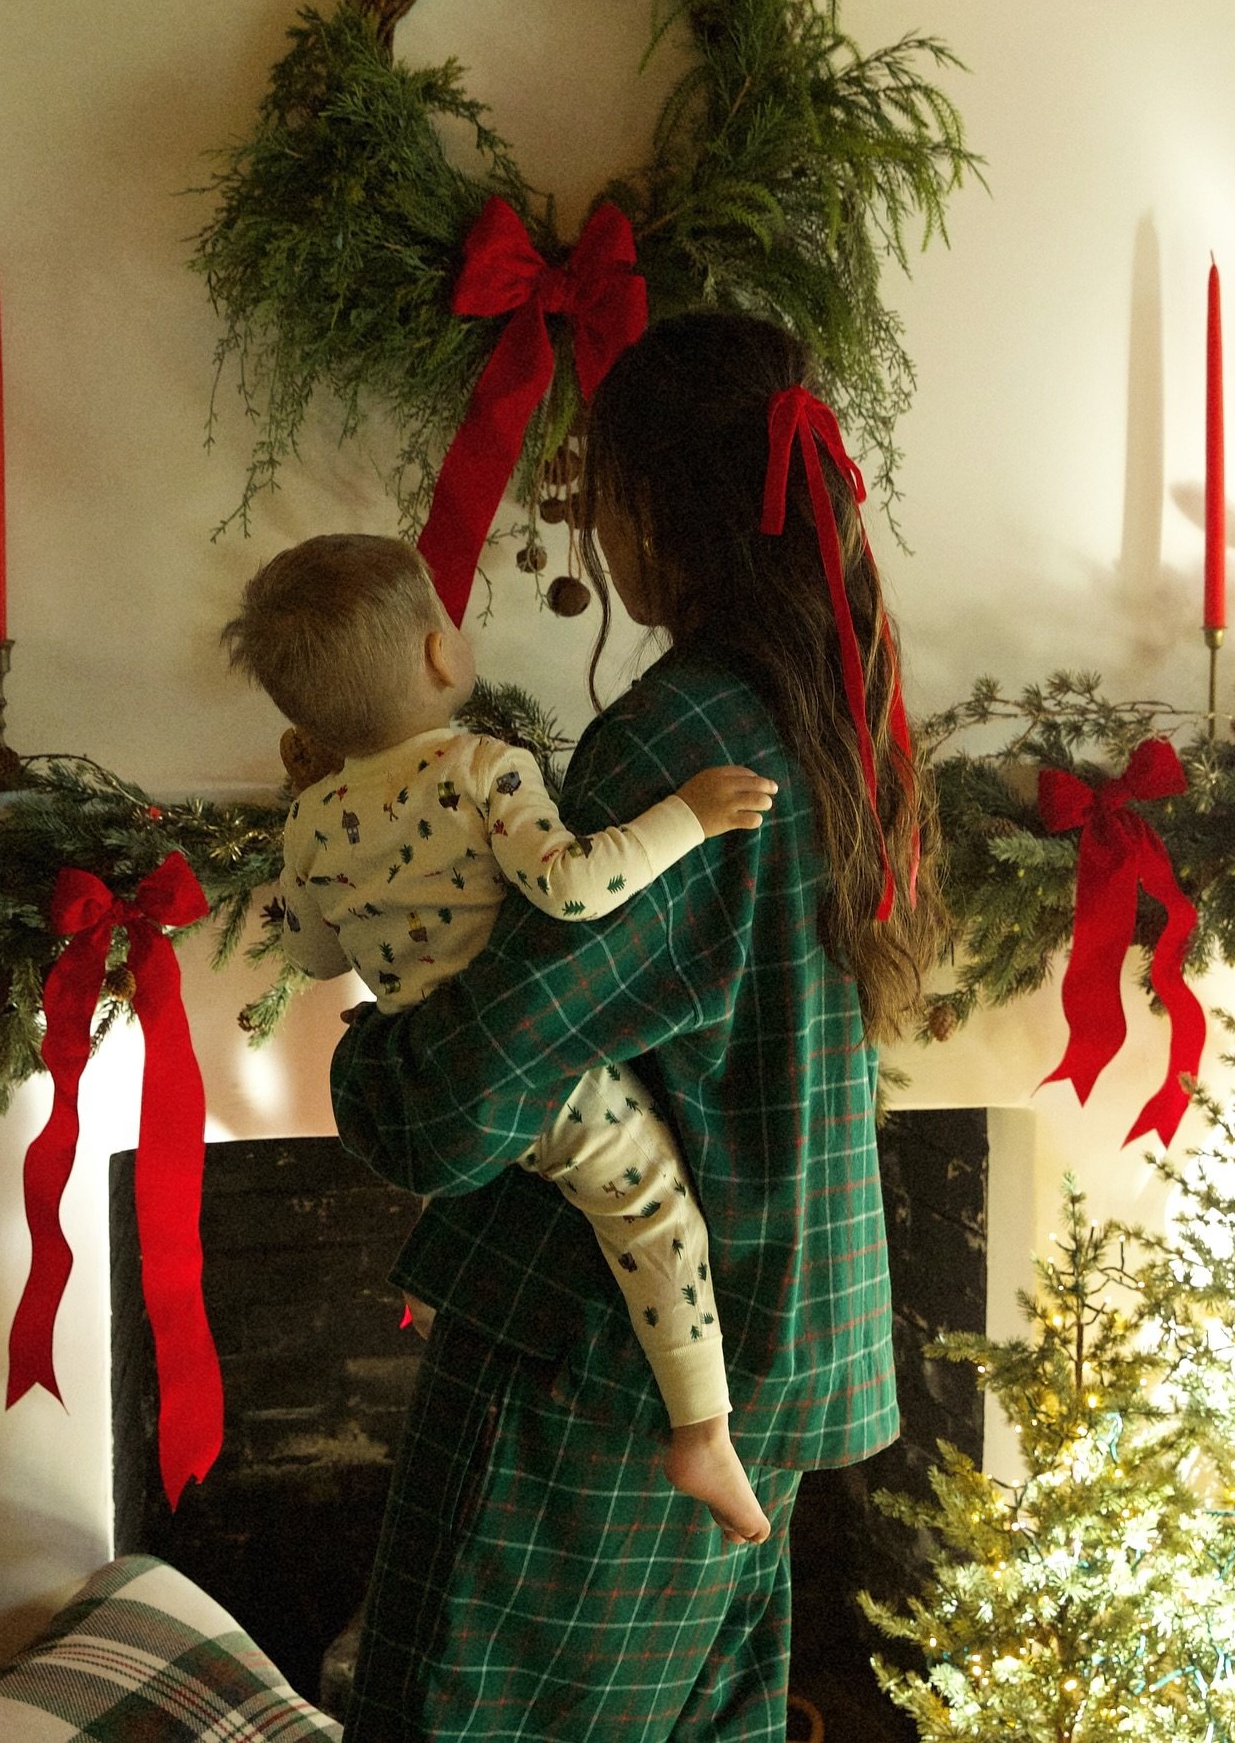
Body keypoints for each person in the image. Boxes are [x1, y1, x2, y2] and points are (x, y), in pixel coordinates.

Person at [326, 310, 946, 1742]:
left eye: (598, 490)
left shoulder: (683, 737)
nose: (594, 527)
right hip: (752, 1366)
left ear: (659, 504)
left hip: (597, 1376)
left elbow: (467, 1092)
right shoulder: (836, 710)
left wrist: (372, 1051)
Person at [221, 533, 779, 1543]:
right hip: (536, 1079)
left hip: (424, 1071)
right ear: (441, 653)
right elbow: (573, 888)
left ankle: (443, 1299)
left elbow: (308, 959)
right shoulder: (482, 767)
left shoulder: (308, 824)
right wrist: (689, 820)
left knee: (487, 1186)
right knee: (653, 1207)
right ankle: (703, 1429)